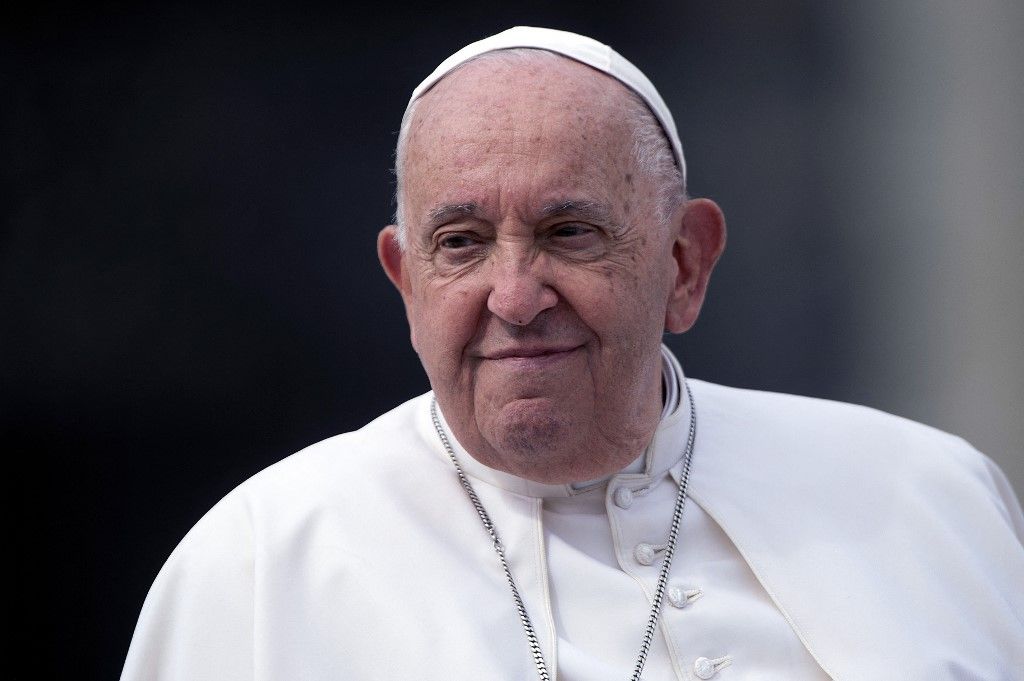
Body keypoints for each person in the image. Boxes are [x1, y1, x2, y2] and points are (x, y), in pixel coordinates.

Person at [121, 26, 1024, 680]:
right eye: (463, 243)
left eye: (569, 231)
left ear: (684, 263)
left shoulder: (932, 497)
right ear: (405, 280)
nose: (515, 297)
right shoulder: (257, 565)